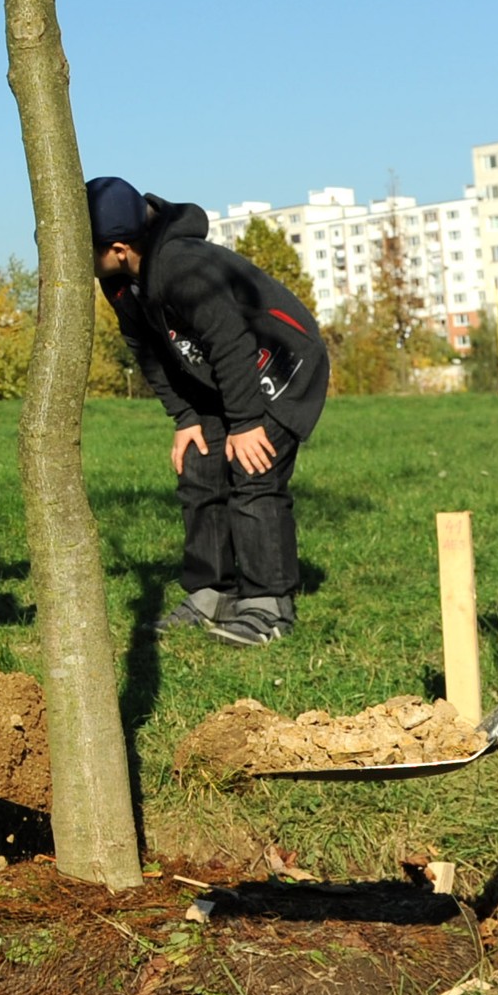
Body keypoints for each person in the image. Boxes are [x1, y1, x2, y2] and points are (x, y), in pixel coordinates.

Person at [88, 178, 327, 645]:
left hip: (280, 363)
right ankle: (212, 591)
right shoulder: (118, 282)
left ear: (118, 247)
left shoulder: (183, 266)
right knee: (200, 468)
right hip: (221, 374)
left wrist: (245, 422)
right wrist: (186, 417)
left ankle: (267, 605)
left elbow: (229, 339)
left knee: (253, 473)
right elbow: (148, 349)